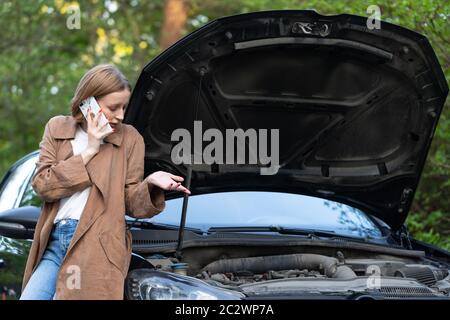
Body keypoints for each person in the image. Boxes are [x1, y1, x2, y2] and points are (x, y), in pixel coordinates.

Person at [20, 64, 190, 300]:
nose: (120, 115)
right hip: (54, 242)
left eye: (123, 107)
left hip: (97, 247)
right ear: (88, 102)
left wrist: (150, 184)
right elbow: (43, 185)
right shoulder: (57, 128)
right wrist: (90, 149)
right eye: (113, 107)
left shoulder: (130, 139)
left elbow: (132, 204)